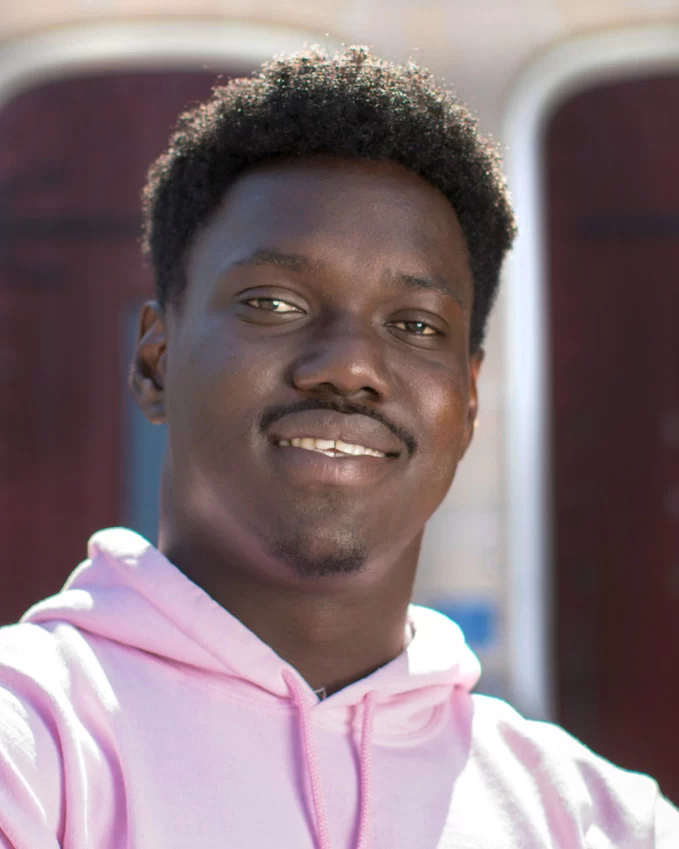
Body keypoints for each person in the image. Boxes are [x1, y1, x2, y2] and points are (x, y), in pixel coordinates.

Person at [0, 46, 676, 849]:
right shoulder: (33, 740)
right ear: (156, 360)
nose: (351, 366)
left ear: (465, 402)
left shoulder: (596, 819)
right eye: (275, 302)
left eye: (415, 325)